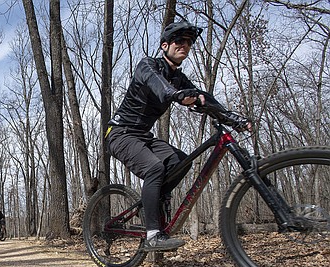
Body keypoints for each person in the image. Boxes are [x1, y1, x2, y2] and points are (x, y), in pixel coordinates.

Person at [106, 20, 251, 251]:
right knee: (154, 169)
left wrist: (232, 118)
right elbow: (159, 86)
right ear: (165, 45)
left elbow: (204, 99)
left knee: (181, 162)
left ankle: (154, 202)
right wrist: (176, 94)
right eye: (179, 41)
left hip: (143, 136)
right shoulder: (148, 65)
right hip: (120, 133)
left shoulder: (179, 78)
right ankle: (153, 235)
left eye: (189, 42)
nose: (185, 45)